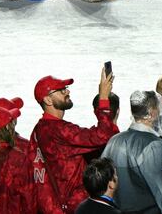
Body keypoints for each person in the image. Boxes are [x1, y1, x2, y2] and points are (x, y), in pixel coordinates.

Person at [31, 70, 118, 212]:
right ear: (48, 100)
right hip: (72, 207)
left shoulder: (38, 129)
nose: (67, 92)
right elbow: (102, 136)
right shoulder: (59, 130)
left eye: (66, 88)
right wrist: (103, 98)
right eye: (60, 90)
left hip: (53, 206)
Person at [101, 89, 162, 214]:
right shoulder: (154, 145)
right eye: (159, 108)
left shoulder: (114, 141)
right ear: (152, 113)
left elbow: (102, 184)